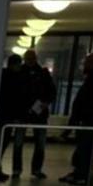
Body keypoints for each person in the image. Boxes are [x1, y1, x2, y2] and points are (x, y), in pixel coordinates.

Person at [61, 52, 93, 186]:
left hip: (90, 119)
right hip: (88, 118)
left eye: (86, 62)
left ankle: (81, 174)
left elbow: (87, 100)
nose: (84, 65)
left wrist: (79, 116)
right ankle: (79, 172)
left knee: (86, 148)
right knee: (83, 148)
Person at [14, 48, 56, 178]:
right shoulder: (43, 73)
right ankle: (35, 169)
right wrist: (44, 103)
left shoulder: (20, 73)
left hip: (25, 111)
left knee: (20, 142)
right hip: (37, 112)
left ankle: (18, 169)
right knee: (38, 143)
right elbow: (51, 92)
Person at [0, 53, 26, 182]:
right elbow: (16, 98)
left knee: (0, 144)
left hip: (4, 115)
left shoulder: (3, 76)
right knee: (1, 144)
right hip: (7, 116)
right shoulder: (15, 78)